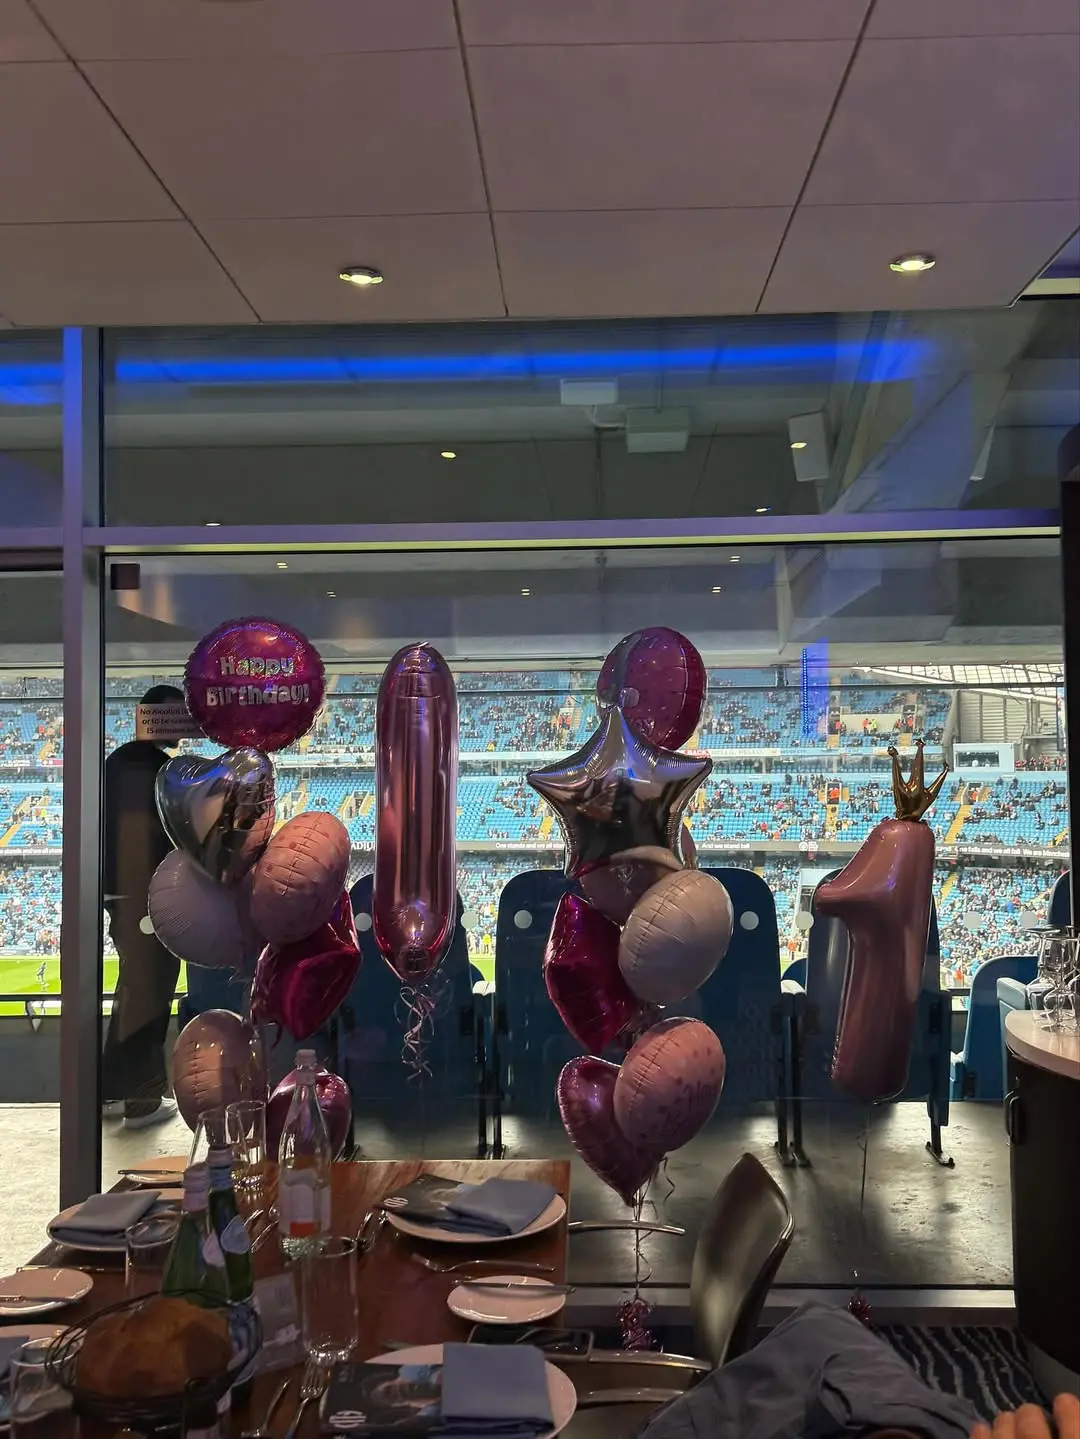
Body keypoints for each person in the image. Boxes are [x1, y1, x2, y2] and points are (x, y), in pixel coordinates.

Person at [101, 685, 183, 1130]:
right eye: (174, 716)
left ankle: (112, 1091)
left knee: (133, 987)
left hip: (124, 894)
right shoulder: (150, 769)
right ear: (152, 717)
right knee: (151, 988)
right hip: (142, 895)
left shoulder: (121, 762)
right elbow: (152, 837)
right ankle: (142, 1100)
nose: (181, 725)